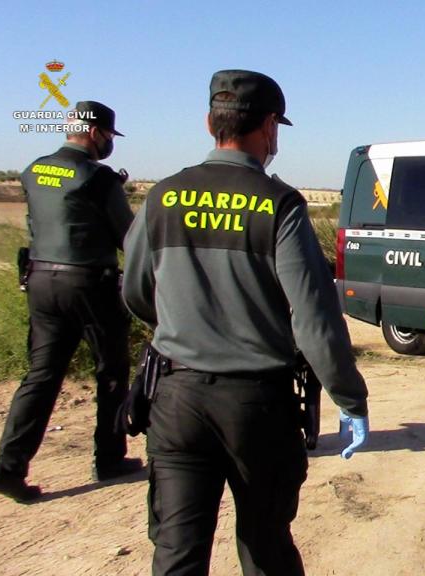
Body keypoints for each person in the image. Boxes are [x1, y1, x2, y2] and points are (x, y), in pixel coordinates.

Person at [122, 69, 370, 575]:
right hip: (256, 405)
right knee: (265, 547)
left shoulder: (162, 197)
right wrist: (349, 397)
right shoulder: (279, 204)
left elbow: (135, 292)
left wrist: (183, 322)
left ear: (210, 121)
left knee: (176, 551)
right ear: (270, 126)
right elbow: (314, 318)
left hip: (177, 399)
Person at [0, 101, 140, 502]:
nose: (109, 143)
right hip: (89, 283)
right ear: (95, 133)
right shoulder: (99, 178)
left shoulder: (33, 170)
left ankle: (8, 467)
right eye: (109, 136)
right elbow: (129, 239)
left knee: (41, 375)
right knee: (110, 371)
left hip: (39, 280)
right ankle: (109, 458)